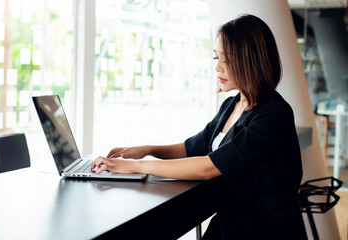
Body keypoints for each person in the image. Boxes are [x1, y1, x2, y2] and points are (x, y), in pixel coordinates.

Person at [92, 14, 307, 240]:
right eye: (216, 58)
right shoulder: (231, 105)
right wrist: (147, 149)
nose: (218, 68)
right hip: (232, 222)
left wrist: (134, 167)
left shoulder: (274, 114)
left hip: (264, 231)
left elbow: (210, 166)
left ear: (251, 59)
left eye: (227, 59)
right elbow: (195, 146)